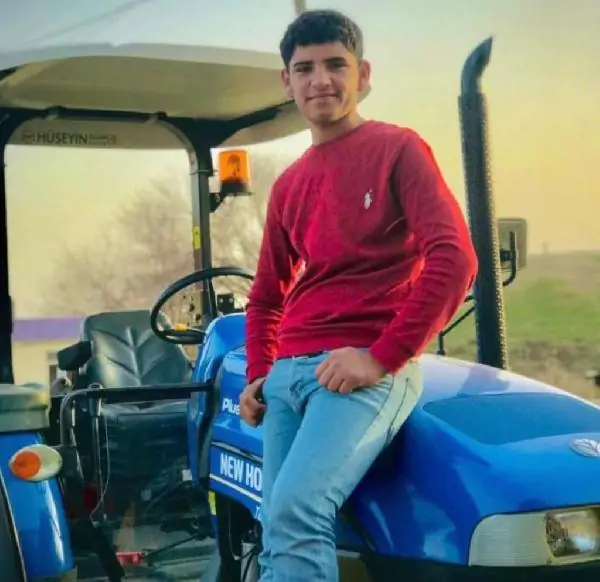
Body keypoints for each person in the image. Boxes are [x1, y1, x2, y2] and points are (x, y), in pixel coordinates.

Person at [239, 8, 478, 582]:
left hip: (359, 371)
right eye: (305, 69)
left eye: (335, 65)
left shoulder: (397, 149)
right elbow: (267, 296)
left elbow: (455, 258)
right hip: (287, 378)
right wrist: (258, 373)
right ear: (287, 82)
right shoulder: (289, 184)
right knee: (273, 529)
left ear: (363, 74)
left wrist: (379, 356)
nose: (320, 80)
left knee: (295, 512)